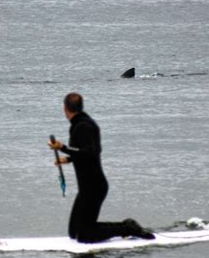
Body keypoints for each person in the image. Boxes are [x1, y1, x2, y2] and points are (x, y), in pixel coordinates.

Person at [48, 92, 155, 243]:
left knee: (84, 236)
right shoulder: (83, 123)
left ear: (65, 108)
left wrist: (63, 147)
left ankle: (127, 227)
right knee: (74, 233)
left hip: (94, 188)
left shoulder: (83, 126)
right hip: (87, 188)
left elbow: (88, 153)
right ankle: (121, 227)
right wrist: (67, 159)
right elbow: (87, 153)